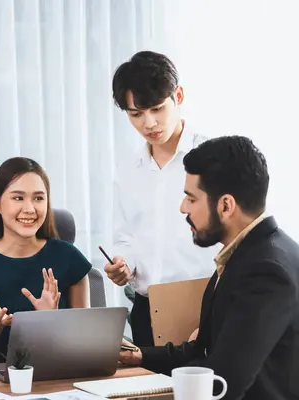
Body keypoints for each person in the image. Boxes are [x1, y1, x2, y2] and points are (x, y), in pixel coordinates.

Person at [120, 136, 299, 400]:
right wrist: (140, 356)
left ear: (225, 205)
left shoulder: (266, 271)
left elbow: (222, 382)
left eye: (191, 199)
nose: (182, 208)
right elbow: (203, 350)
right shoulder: (246, 253)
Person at [105, 51, 217, 346]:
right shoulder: (128, 169)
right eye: (136, 114)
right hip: (147, 307)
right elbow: (125, 237)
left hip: (206, 303)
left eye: (156, 109)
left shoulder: (214, 157)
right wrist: (123, 264)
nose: (149, 123)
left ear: (178, 95)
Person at [0, 157, 91, 368]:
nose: (30, 209)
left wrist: (49, 320)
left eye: (38, 198)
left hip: (57, 379)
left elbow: (87, 347)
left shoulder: (70, 259)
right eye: (18, 198)